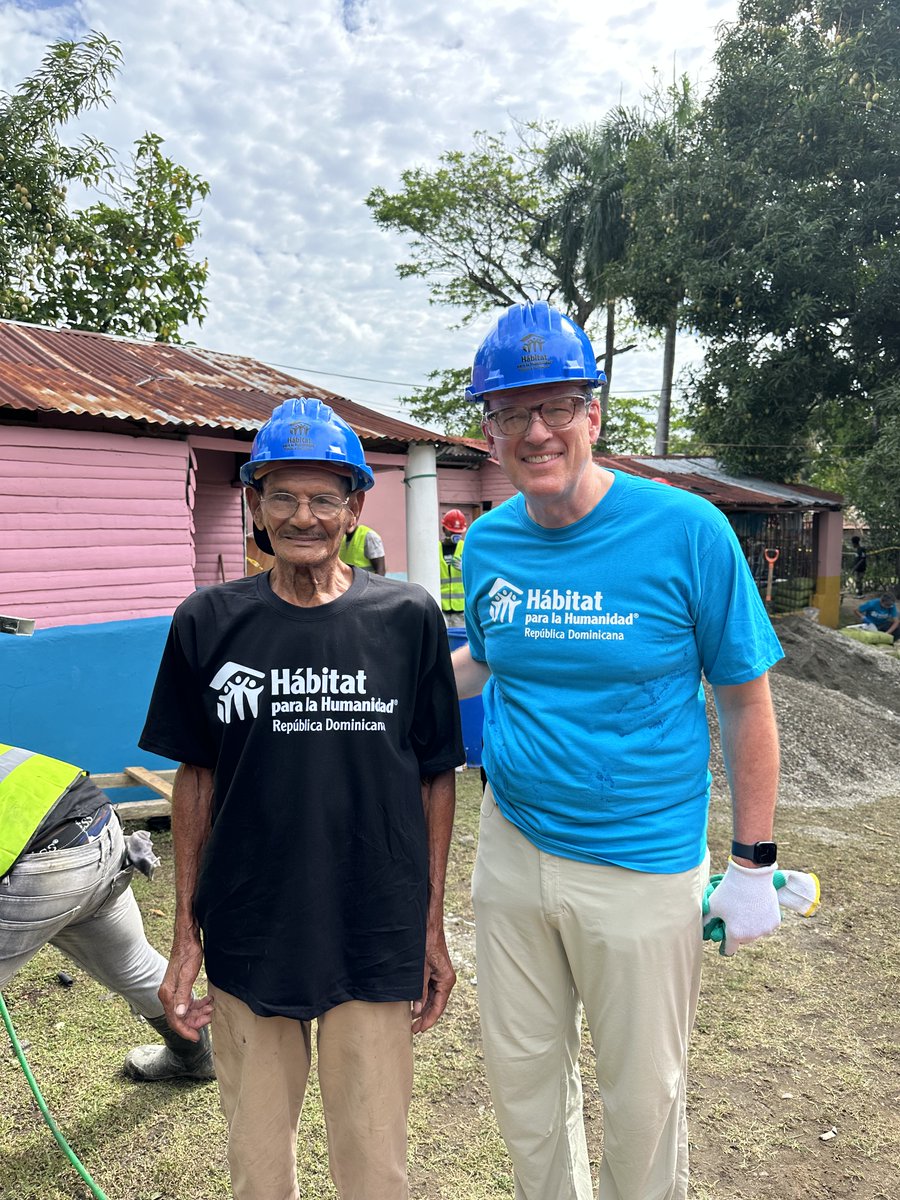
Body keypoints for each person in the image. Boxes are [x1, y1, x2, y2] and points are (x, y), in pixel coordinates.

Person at [452, 301, 789, 1200]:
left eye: (556, 406)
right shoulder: (488, 542)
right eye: (511, 412)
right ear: (489, 432)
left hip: (641, 861)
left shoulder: (687, 530)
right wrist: (381, 683)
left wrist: (753, 862)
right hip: (512, 848)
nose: (536, 431)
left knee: (643, 1099)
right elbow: (489, 658)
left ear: (593, 414)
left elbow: (745, 700)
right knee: (524, 1083)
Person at [139, 397, 464, 1200]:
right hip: (251, 924)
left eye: (324, 497)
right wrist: (183, 936)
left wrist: (431, 926)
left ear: (355, 508)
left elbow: (436, 774)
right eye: (281, 495)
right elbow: (196, 778)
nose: (302, 516)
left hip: (374, 926)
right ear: (255, 505)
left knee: (376, 1164)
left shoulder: (408, 617)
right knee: (256, 1165)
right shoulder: (208, 622)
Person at [0, 742, 214, 1082]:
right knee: (134, 965)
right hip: (100, 831)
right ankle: (195, 1058)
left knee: (133, 964)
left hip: (43, 864)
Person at [439, 509, 468, 627]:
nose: (456, 535)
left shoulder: (466, 548)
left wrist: (467, 568)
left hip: (461, 610)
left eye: (459, 532)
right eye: (452, 532)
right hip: (441, 609)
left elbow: (479, 574)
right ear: (444, 529)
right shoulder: (435, 549)